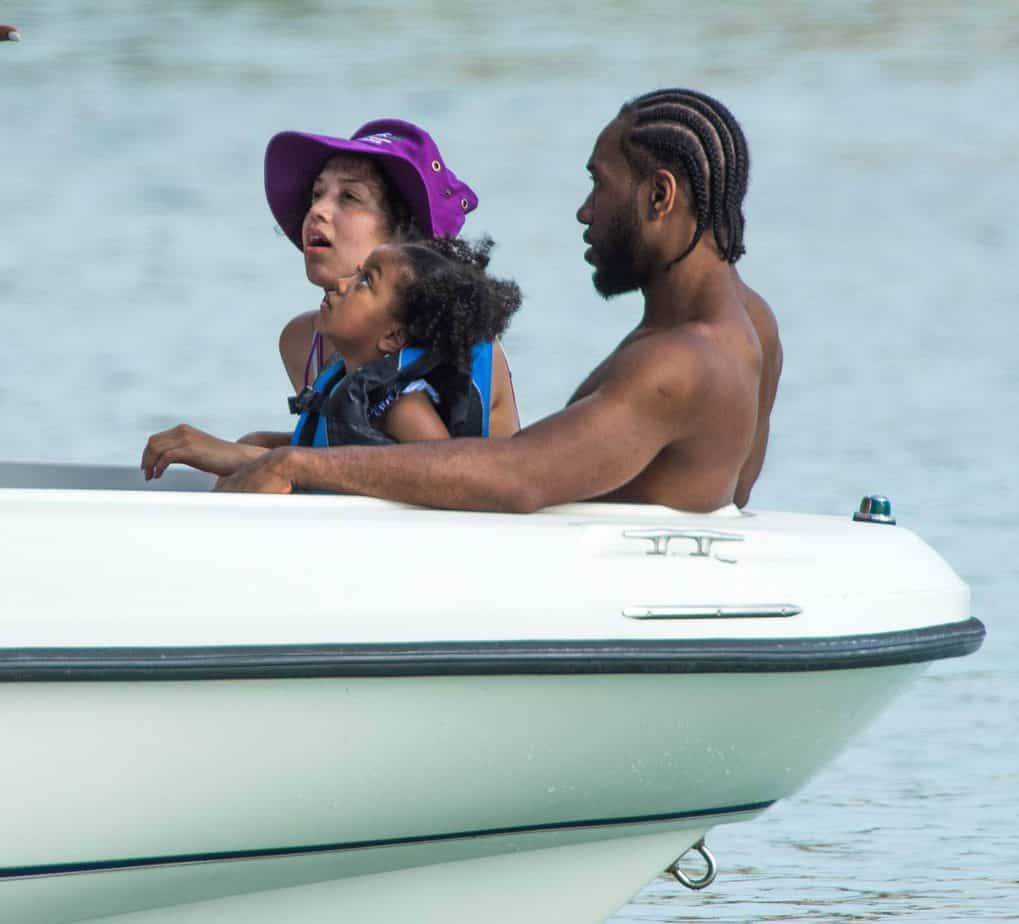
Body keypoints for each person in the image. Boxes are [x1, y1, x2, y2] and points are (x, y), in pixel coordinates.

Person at [217, 88, 782, 512]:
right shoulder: (753, 322)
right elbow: (738, 495)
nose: (585, 212)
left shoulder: (681, 361)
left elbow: (519, 477)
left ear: (659, 196)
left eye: (599, 186)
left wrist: (295, 462)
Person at [142, 119, 520, 477]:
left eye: (350, 197)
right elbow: (351, 446)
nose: (318, 210)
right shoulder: (303, 341)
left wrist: (254, 457)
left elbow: (443, 474)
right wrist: (259, 448)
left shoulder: (459, 347)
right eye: (317, 194)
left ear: (406, 238)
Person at [142, 236, 520, 479]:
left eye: (365, 282)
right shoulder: (345, 379)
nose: (342, 284)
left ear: (393, 336)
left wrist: (219, 452)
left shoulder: (402, 406)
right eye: (356, 274)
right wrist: (241, 448)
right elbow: (321, 453)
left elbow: (450, 474)